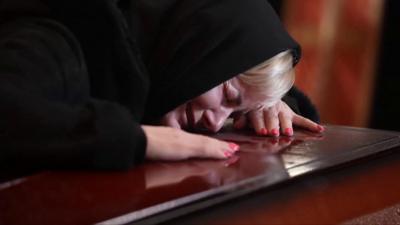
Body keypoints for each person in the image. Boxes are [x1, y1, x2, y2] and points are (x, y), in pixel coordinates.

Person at [0, 0, 322, 170]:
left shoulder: (161, 52)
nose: (214, 123)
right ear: (198, 45)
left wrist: (265, 106)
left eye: (233, 114)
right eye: (228, 96)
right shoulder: (59, 37)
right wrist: (137, 140)